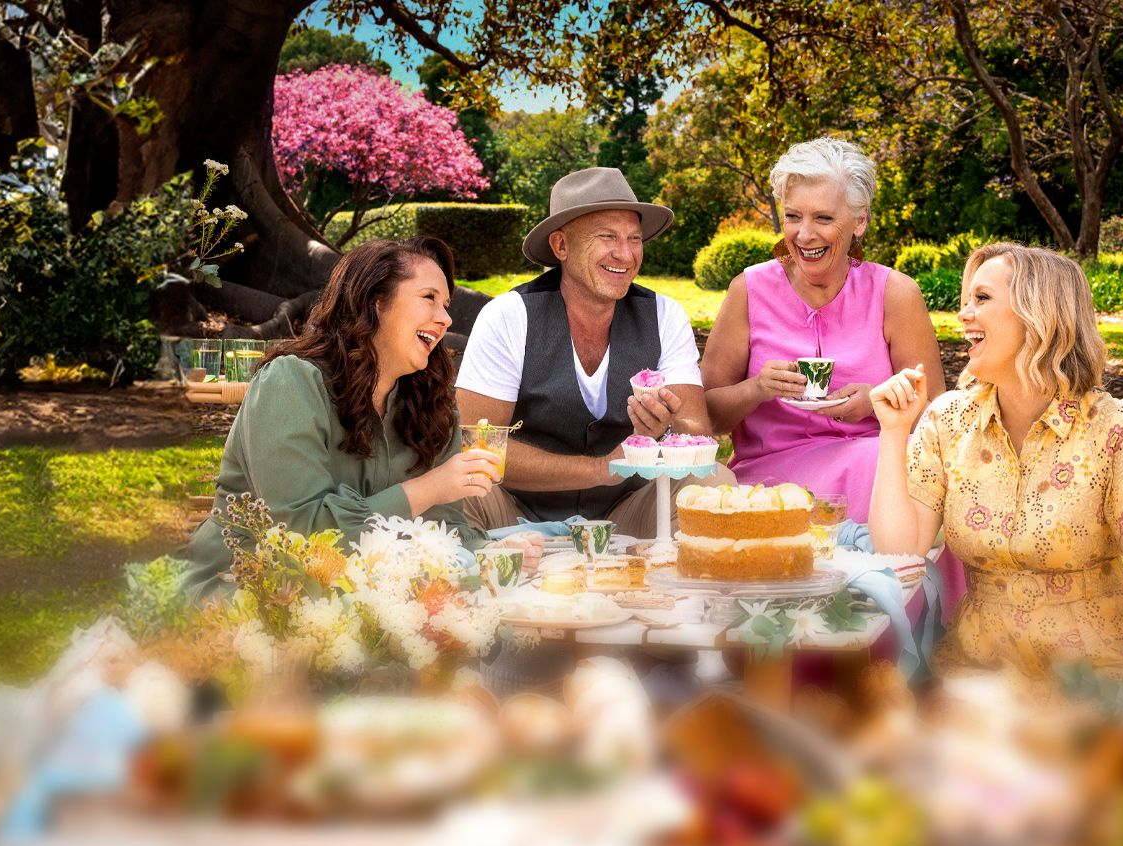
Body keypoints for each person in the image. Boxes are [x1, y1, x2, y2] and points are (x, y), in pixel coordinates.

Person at [868, 242, 1123, 674]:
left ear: (1038, 316)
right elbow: (898, 553)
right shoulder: (947, 421)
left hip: (1097, 677)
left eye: (982, 299)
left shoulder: (1116, 429)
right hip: (977, 678)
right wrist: (893, 432)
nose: (963, 315)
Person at [183, 237, 538, 595]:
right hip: (250, 591)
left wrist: (489, 552)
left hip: (368, 598)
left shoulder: (429, 403)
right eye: (428, 297)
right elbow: (298, 534)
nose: (445, 318)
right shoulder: (291, 382)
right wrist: (428, 488)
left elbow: (444, 532)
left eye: (446, 305)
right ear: (375, 301)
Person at [456, 168, 733, 534]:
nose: (625, 254)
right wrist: (601, 469)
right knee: (455, 490)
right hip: (514, 512)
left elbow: (698, 433)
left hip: (627, 514)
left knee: (715, 483)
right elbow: (478, 447)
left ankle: (676, 588)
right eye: (607, 237)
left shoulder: (663, 315)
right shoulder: (509, 316)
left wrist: (666, 430)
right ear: (561, 246)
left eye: (634, 239)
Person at [701, 138, 944, 522]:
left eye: (824, 218)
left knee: (896, 465)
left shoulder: (896, 293)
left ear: (859, 221)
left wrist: (878, 405)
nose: (804, 235)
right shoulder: (748, 290)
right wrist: (757, 389)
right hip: (771, 477)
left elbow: (937, 416)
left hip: (878, 464)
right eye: (793, 216)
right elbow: (707, 417)